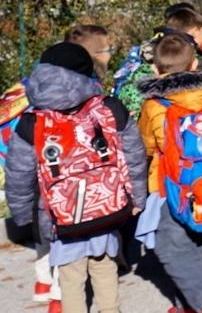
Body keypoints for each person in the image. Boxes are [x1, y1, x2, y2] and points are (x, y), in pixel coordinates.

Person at [5, 42, 147, 313]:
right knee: (105, 267)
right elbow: (134, 157)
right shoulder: (109, 108)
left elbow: (19, 175)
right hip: (108, 208)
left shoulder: (31, 123)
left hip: (61, 218)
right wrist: (137, 197)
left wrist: (23, 215)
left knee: (70, 277)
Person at [135, 33, 202, 313]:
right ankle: (188, 304)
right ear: (194, 66)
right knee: (188, 239)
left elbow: (147, 146)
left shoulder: (154, 106)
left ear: (155, 70)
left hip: (173, 185)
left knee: (170, 245)